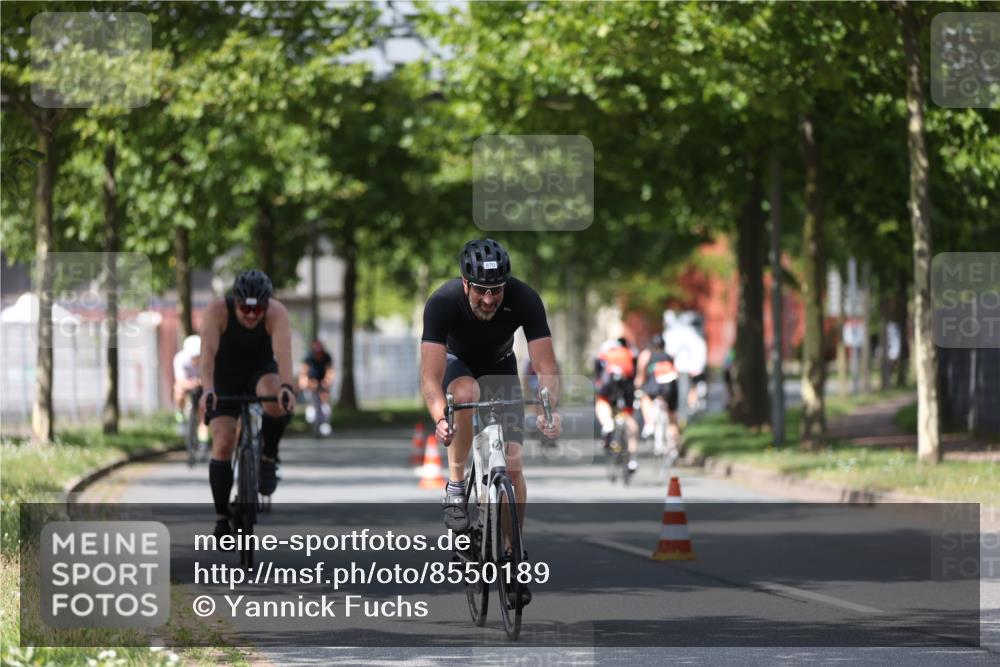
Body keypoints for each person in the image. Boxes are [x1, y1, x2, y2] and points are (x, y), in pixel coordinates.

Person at [420, 239, 561, 605]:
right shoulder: (442, 302)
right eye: (480, 290)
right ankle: (456, 485)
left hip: (500, 368)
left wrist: (548, 406)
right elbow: (430, 378)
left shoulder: (524, 298)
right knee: (465, 392)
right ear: (465, 283)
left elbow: (546, 366)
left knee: (513, 466)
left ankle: (514, 555)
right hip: (458, 365)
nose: (488, 299)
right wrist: (440, 417)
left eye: (496, 290)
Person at [199, 270, 296, 543]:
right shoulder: (217, 311)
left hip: (260, 371)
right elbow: (207, 355)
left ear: (266, 305)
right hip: (224, 376)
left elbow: (284, 354)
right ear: (235, 302)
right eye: (245, 309)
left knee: (274, 399)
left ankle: (268, 457)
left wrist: (287, 388)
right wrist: (208, 390)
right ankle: (222, 519)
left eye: (258, 309)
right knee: (223, 441)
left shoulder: (277, 313)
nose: (252, 315)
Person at [594, 336, 639, 472]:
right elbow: (635, 375)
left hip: (609, 381)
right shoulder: (630, 353)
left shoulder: (603, 354)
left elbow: (598, 377)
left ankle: (608, 424)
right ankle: (632, 459)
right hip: (627, 386)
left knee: (602, 401)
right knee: (628, 417)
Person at [635, 334, 680, 446]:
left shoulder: (646, 355)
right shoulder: (669, 356)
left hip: (654, 386)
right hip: (671, 387)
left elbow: (640, 375)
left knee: (644, 397)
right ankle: (674, 446)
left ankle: (649, 423)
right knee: (672, 418)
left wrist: (638, 386)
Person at [172, 335, 210, 457]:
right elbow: (180, 380)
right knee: (178, 390)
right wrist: (193, 383)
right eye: (193, 356)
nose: (195, 359)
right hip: (187, 385)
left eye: (197, 356)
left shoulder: (207, 358)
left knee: (203, 411)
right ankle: (180, 415)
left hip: (202, 386)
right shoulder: (180, 359)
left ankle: (203, 441)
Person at [299, 339, 334, 436]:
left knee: (324, 404)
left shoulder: (326, 357)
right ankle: (315, 426)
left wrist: (326, 382)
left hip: (323, 384)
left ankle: (325, 423)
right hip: (312, 384)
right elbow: (304, 373)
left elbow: (329, 371)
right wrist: (306, 383)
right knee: (313, 405)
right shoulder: (309, 358)